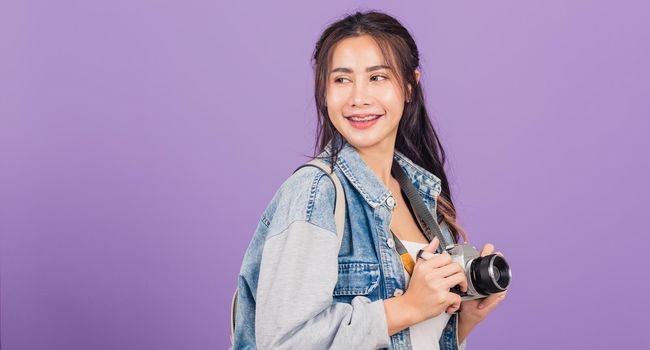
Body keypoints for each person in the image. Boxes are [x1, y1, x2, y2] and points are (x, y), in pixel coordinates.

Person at [233, 10, 507, 349]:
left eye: (377, 77)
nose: (358, 98)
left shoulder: (421, 197)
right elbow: (285, 343)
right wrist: (406, 307)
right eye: (341, 79)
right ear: (324, 91)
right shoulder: (315, 193)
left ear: (410, 86)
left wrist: (462, 323)